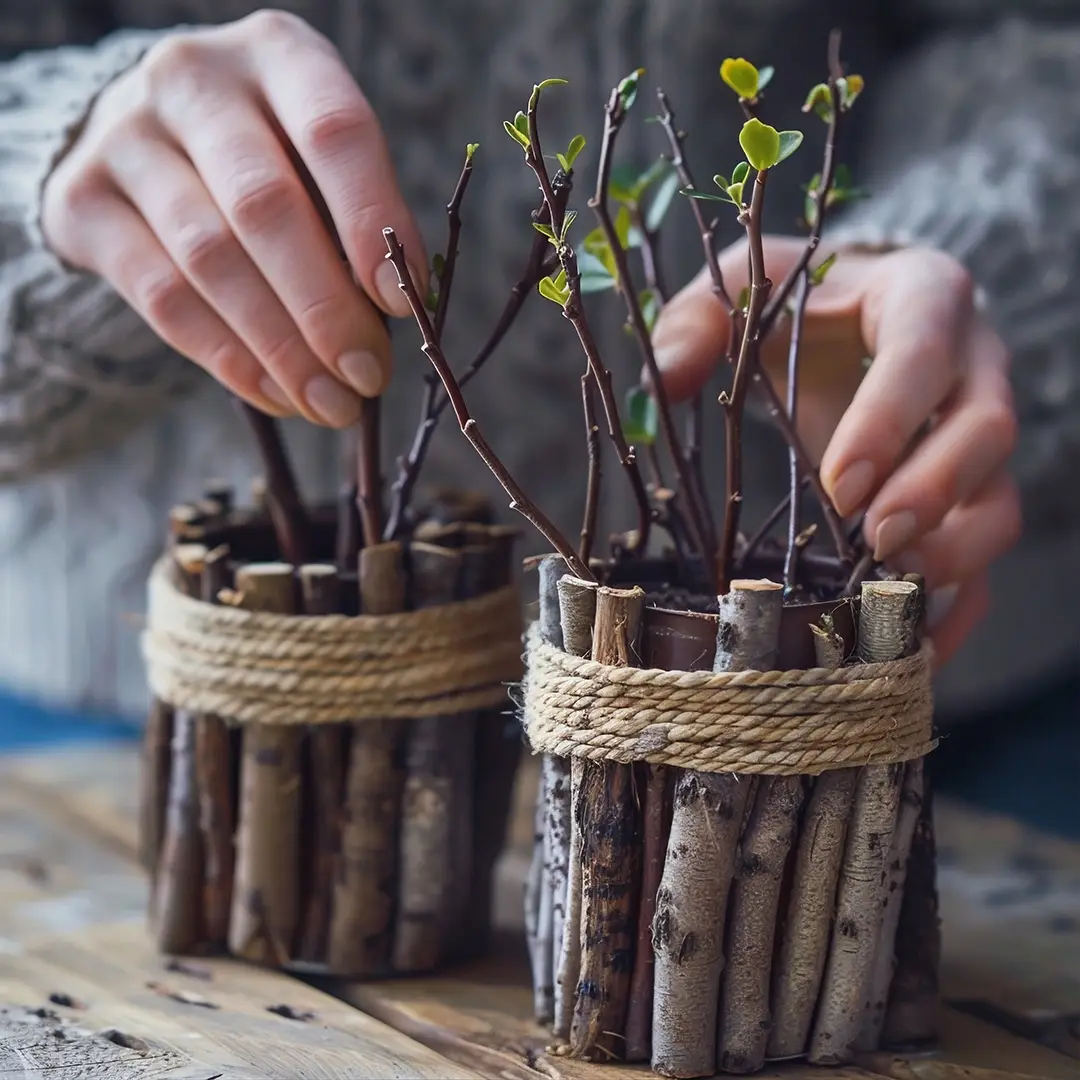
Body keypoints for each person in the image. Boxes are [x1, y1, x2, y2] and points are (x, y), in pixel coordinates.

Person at [0, 3, 1075, 832]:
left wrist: (975, 267)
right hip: (111, 719)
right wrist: (44, 169)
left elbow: (1031, 40)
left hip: (952, 722)